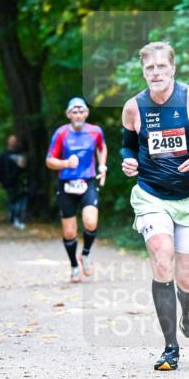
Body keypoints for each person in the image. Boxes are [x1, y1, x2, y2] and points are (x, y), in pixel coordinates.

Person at [120, 41, 189, 371]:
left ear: (173, 69)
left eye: (161, 67)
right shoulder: (133, 107)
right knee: (161, 259)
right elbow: (126, 148)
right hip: (151, 195)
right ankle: (170, 348)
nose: (156, 73)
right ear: (143, 72)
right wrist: (128, 163)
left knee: (187, 278)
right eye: (150, 68)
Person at [46, 97, 108, 282]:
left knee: (91, 222)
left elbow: (102, 147)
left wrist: (102, 167)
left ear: (87, 113)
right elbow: (49, 160)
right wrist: (66, 163)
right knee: (70, 232)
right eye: (74, 112)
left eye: (82, 111)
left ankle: (85, 254)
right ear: (68, 115)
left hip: (87, 182)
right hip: (66, 185)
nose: (78, 114)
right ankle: (74, 265)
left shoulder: (95, 131)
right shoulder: (61, 133)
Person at [0, 135, 28, 229]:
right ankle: (13, 218)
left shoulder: (21, 153)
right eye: (11, 140)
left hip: (21, 182)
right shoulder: (3, 154)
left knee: (21, 202)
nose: (13, 142)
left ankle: (18, 219)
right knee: (12, 202)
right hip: (8, 182)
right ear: (8, 142)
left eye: (14, 140)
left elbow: (24, 166)